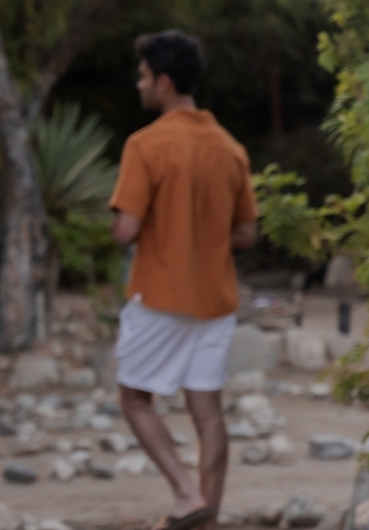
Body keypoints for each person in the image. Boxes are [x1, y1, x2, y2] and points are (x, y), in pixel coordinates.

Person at [109, 30, 259, 530]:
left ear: (165, 83)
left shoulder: (145, 144)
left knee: (133, 397)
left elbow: (126, 228)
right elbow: (246, 232)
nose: (139, 84)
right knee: (207, 410)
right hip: (216, 297)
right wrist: (203, 231)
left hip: (160, 295)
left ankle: (184, 493)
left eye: (144, 76)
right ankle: (205, 520)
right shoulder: (230, 148)